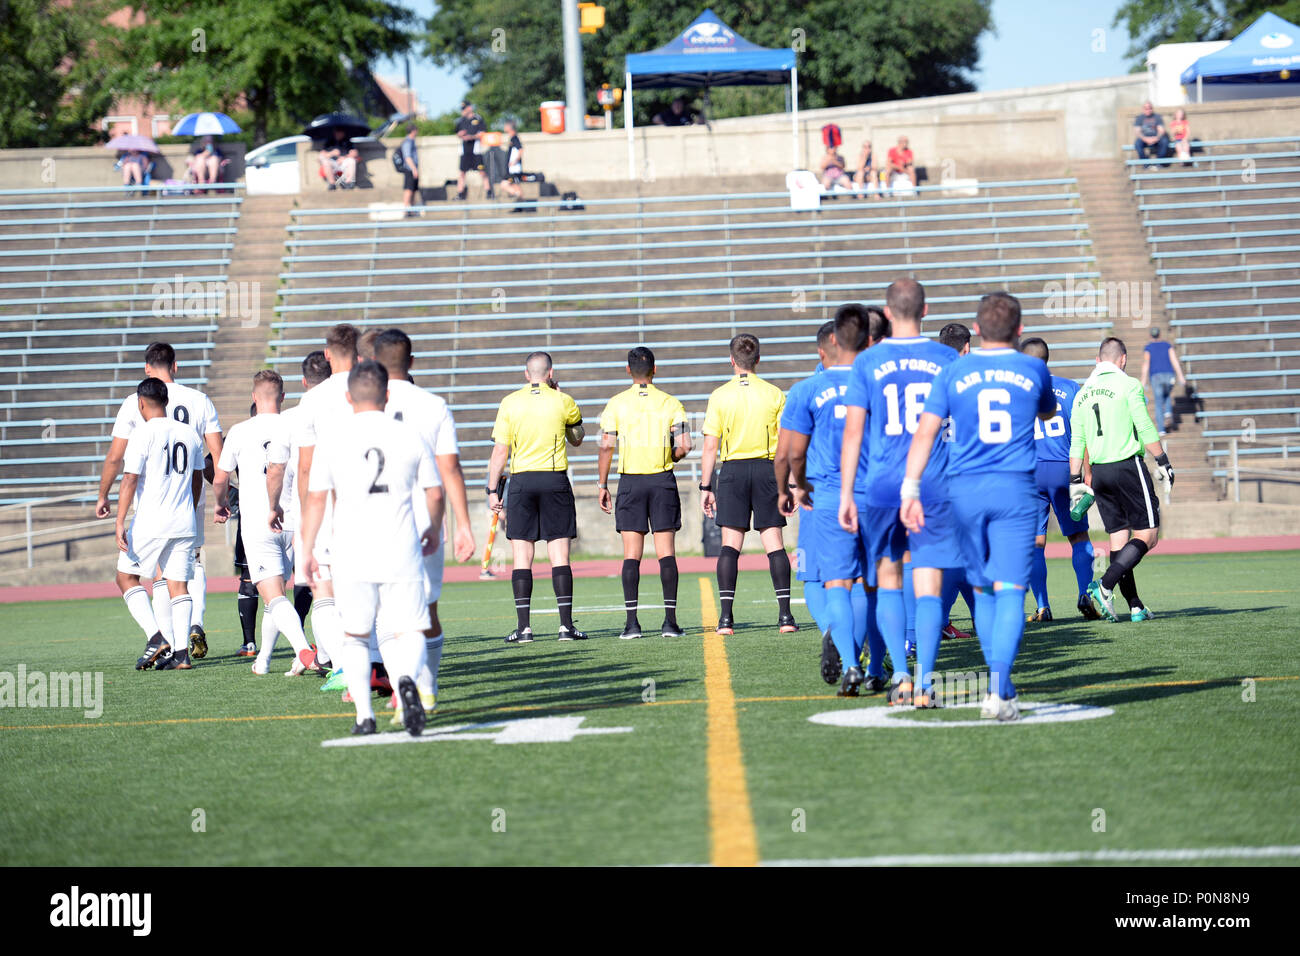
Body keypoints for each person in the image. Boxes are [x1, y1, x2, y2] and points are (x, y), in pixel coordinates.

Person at [900, 292, 1057, 721]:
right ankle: (999, 688)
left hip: (963, 492)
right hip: (1014, 490)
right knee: (1009, 590)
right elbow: (1048, 411)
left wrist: (910, 489)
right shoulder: (1032, 367)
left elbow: (926, 432)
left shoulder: (954, 371)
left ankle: (993, 685)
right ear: (1020, 330)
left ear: (978, 328)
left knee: (983, 589)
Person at [300, 360, 444, 737]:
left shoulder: (333, 438)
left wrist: (308, 548)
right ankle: (407, 682)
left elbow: (316, 500)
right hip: (401, 544)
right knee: (410, 628)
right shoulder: (408, 435)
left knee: (356, 636)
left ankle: (365, 716)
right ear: (388, 394)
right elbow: (434, 491)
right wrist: (431, 528)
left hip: (351, 549)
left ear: (348, 398)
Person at [838, 279, 960, 708]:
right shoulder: (948, 357)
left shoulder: (867, 361)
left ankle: (902, 678)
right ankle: (926, 683)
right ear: (925, 310)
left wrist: (847, 493)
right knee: (928, 584)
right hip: (933, 483)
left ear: (886, 314)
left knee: (887, 581)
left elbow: (853, 432)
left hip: (884, 485)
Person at [776, 306, 883, 696]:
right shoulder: (878, 383)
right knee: (873, 584)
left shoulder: (806, 389)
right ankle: (881, 666)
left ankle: (844, 650)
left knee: (825, 578)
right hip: (876, 495)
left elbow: (789, 453)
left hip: (825, 497)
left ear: (826, 347)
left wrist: (791, 488)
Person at [96, 342, 223, 658]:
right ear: (175, 366)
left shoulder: (135, 410)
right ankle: (187, 639)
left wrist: (105, 498)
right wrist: (219, 496)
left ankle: (159, 638)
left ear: (146, 369)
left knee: (138, 576)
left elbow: (119, 463)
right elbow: (217, 459)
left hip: (153, 505)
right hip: (187, 502)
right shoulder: (198, 401)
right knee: (186, 569)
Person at [373, 328, 476, 711]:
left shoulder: (364, 405)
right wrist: (464, 524)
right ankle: (426, 687)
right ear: (411, 361)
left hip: (376, 521)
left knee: (385, 610)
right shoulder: (433, 405)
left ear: (373, 362)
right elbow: (450, 468)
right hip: (425, 520)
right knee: (427, 608)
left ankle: (403, 690)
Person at [213, 371, 320, 677]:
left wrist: (220, 503)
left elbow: (220, 478)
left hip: (261, 522)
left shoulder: (239, 431)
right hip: (297, 520)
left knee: (272, 594)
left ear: (254, 397)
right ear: (283, 397)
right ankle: (264, 660)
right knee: (280, 595)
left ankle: (304, 650)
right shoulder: (297, 425)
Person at [1070, 337, 1173, 624]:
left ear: (1097, 361)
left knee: (1119, 539)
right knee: (1148, 535)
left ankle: (1135, 605)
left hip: (1099, 472)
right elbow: (1144, 424)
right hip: (1127, 466)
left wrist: (1075, 479)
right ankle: (1104, 586)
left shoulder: (1082, 394)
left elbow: (1077, 442)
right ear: (1123, 360)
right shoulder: (1128, 385)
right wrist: (1162, 460)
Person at [699, 334, 796, 636]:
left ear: (731, 360)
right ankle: (785, 618)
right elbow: (788, 445)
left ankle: (726, 619)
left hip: (733, 472)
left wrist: (706, 487)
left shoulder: (719, 395)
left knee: (730, 546)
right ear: (758, 360)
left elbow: (710, 447)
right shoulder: (774, 394)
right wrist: (789, 483)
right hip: (768, 469)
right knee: (774, 544)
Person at [487, 351, 586, 643]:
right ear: (551, 372)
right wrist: (562, 398)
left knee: (522, 556)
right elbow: (578, 438)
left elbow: (500, 452)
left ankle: (524, 629)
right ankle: (566, 627)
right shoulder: (562, 400)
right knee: (559, 555)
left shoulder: (510, 402)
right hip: (554, 479)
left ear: (526, 373)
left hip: (522, 482)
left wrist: (493, 490)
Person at [596, 347, 692, 640]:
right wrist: (672, 456)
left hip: (630, 482)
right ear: (655, 369)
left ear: (628, 370)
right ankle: (670, 623)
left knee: (631, 556)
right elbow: (686, 444)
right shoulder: (670, 402)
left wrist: (602, 484)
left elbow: (606, 446)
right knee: (666, 553)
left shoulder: (615, 403)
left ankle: (632, 625)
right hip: (661, 479)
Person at [288, 324, 361, 690]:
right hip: (370, 503)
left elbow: (305, 466)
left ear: (328, 354)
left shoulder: (313, 400)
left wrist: (306, 519)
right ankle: (376, 664)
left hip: (328, 505)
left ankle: (345, 669)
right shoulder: (374, 389)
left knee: (324, 589)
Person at [114, 378, 205, 672]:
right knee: (179, 586)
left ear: (141, 403)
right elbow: (196, 478)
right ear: (166, 400)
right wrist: (188, 507)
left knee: (125, 577)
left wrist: (119, 520)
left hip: (152, 521)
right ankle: (181, 655)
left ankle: (156, 638)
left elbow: (129, 479)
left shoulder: (142, 433)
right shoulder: (189, 434)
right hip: (184, 520)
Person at [1018, 337, 1098, 622]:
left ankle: (1042, 607)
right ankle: (1085, 594)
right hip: (1064, 469)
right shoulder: (1069, 388)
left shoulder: (1016, 391)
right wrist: (1086, 471)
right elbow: (1082, 434)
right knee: (1078, 536)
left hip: (1030, 472)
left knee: (1035, 542)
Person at [1141, 327, 1186, 438]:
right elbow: (1174, 360)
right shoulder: (1167, 345)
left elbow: (1146, 363)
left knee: (1158, 402)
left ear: (1150, 336)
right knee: (1167, 394)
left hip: (1156, 377)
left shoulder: (1148, 347)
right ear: (1160, 334)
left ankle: (1161, 429)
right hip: (1169, 375)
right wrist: (1180, 376)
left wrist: (1143, 380)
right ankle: (1168, 412)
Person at [454, 102, 489, 200]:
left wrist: (472, 137)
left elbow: (482, 133)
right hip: (465, 150)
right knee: (462, 172)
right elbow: (457, 133)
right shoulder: (461, 121)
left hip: (475, 149)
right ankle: (460, 193)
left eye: (465, 108)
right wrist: (461, 134)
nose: (463, 111)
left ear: (470, 108)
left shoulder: (478, 118)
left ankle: (488, 191)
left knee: (481, 171)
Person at [499, 120, 525, 203]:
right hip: (512, 168)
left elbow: (520, 150)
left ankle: (518, 197)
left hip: (514, 169)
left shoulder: (514, 138)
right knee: (515, 185)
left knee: (505, 184)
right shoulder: (512, 138)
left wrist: (515, 161)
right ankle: (520, 203)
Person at [398, 122, 420, 213]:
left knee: (413, 190)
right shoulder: (407, 142)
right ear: (413, 131)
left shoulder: (411, 141)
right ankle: (406, 210)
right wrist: (414, 169)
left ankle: (411, 209)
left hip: (412, 169)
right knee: (409, 189)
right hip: (409, 169)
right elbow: (407, 157)